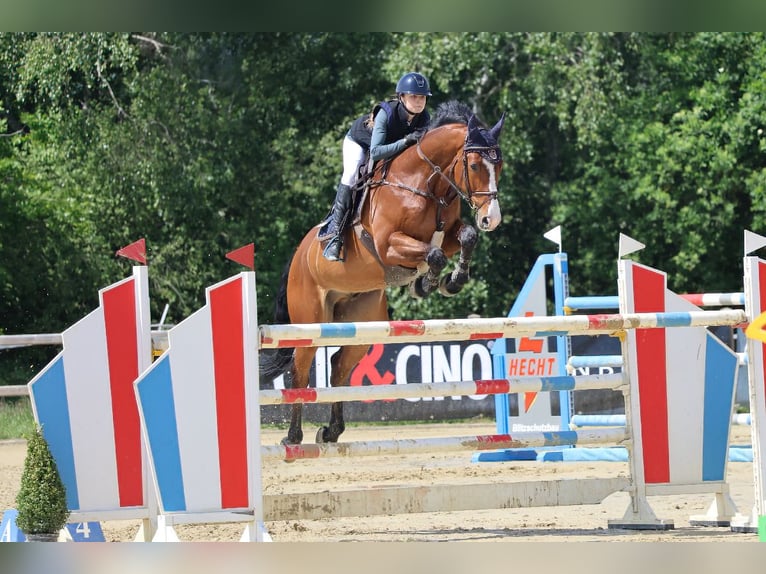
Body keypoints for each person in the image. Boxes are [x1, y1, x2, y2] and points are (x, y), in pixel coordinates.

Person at [321, 71, 432, 262]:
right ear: (401, 97)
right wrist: (406, 141)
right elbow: (376, 152)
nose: (419, 101)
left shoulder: (424, 118)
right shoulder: (385, 113)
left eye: (422, 97)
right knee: (351, 174)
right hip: (361, 143)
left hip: (389, 148)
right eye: (414, 96)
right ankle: (335, 236)